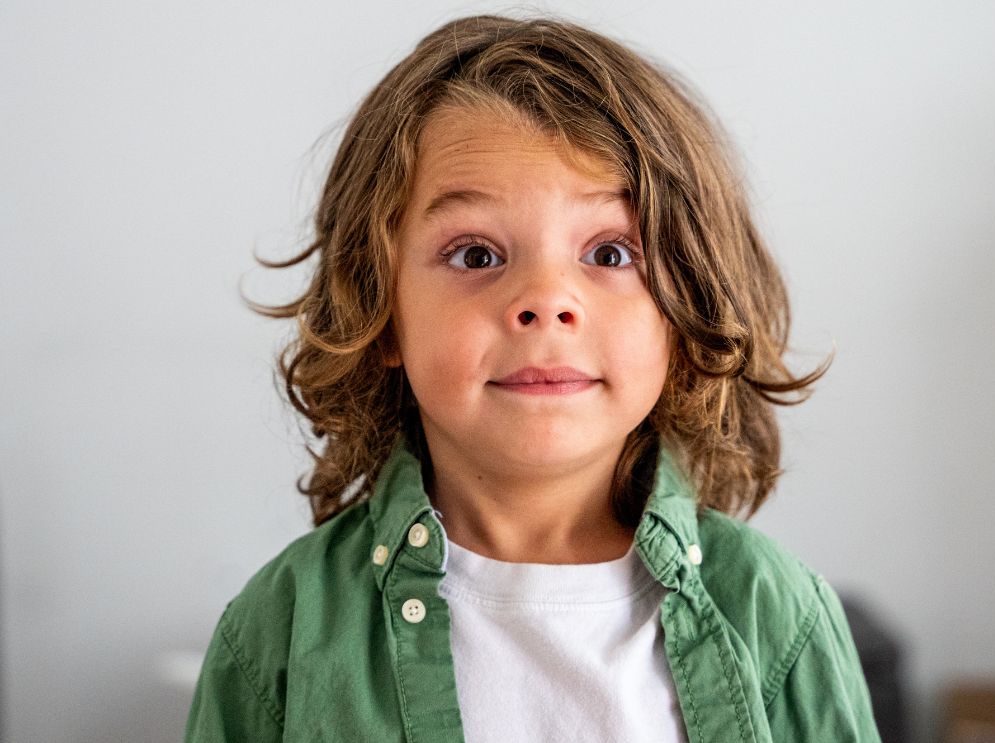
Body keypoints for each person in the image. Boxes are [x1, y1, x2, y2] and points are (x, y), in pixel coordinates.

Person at [184, 12, 880, 743]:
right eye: (476, 255)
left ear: (686, 311)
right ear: (380, 310)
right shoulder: (280, 630)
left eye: (610, 254)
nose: (546, 300)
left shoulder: (780, 614)